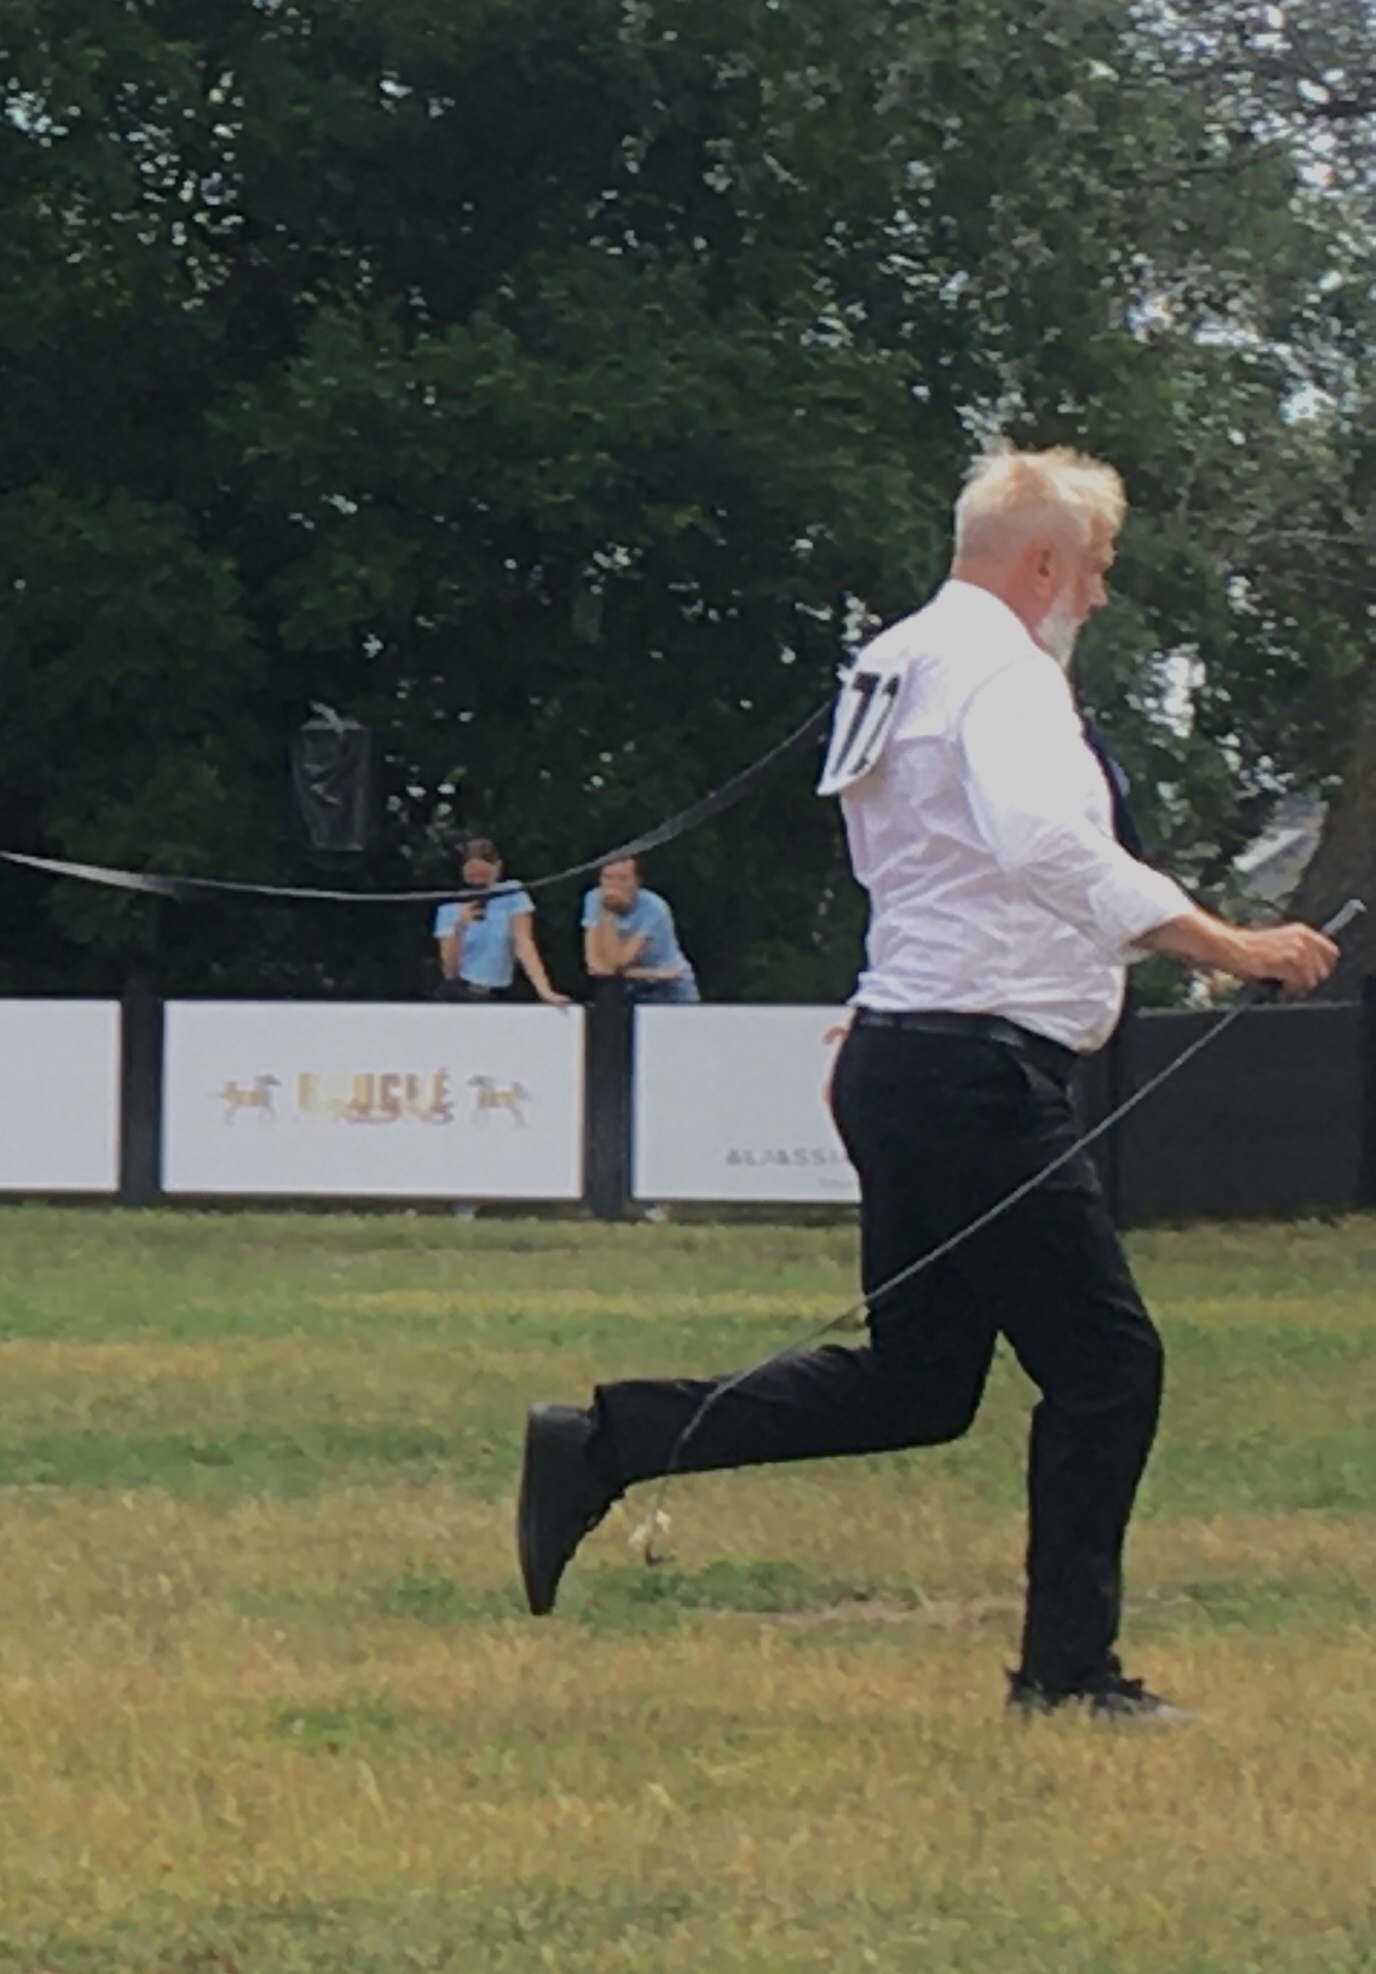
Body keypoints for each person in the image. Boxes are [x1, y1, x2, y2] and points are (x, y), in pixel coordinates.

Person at [514, 446, 1339, 1723]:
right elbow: (1043, 844)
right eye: (1100, 571)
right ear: (1049, 564)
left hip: (910, 1053)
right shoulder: (1004, 675)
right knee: (1109, 1367)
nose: (1103, 600)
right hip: (968, 1072)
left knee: (920, 1384)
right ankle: (1068, 1678)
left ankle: (610, 1442)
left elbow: (916, 867)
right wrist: (1230, 945)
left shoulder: (899, 660)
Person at [431, 836, 566, 1004]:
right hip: (462, 992)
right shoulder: (448, 908)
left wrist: (544, 990)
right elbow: (450, 972)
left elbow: (524, 943)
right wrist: (459, 928)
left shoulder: (512, 893)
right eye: (473, 873)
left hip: (501, 992)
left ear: (498, 868)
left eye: (484, 871)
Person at [578, 857, 700, 1003]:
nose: (613, 885)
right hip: (631, 983)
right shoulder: (593, 898)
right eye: (607, 878)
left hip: (670, 986)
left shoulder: (654, 908)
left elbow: (619, 962)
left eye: (622, 878)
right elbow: (594, 964)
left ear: (636, 882)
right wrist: (608, 912)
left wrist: (610, 913)